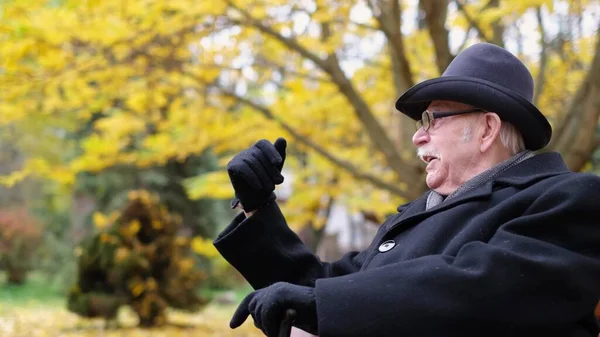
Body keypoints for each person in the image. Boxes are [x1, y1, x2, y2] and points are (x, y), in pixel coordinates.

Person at [213, 42, 600, 337]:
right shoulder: (412, 219)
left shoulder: (570, 199)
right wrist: (259, 208)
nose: (418, 137)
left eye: (432, 119)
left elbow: (484, 290)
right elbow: (320, 290)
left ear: (486, 129)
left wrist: (324, 304)